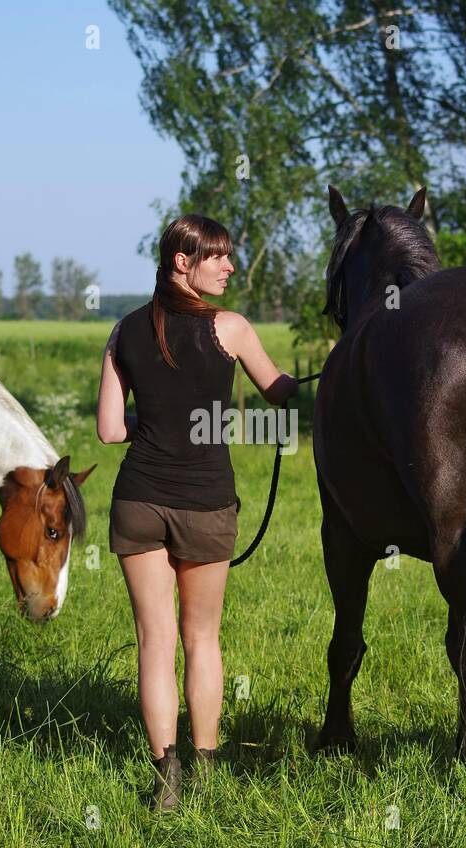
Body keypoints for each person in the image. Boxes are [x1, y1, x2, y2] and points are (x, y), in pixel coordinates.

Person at [96, 213, 298, 811]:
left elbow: (109, 431)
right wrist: (332, 371)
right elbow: (279, 391)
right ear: (183, 262)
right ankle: (207, 773)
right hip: (207, 503)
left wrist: (152, 423)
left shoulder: (122, 331)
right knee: (201, 637)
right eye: (220, 257)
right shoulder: (230, 329)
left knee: (153, 642)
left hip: (137, 500)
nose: (231, 266)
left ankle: (166, 780)